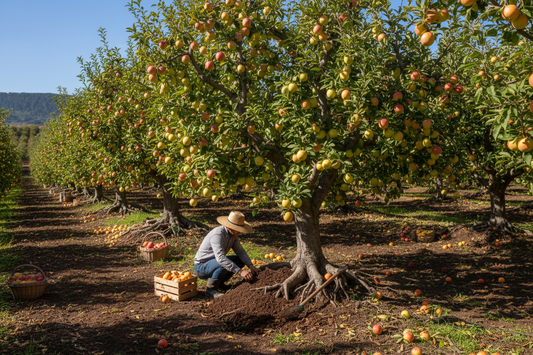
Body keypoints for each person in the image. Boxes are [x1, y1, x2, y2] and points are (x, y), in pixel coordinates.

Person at [194, 211, 260, 298]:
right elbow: (220, 258)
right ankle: (210, 289)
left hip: (214, 263)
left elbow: (240, 251)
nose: (239, 232)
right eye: (237, 229)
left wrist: (250, 266)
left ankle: (220, 283)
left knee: (239, 260)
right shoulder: (217, 235)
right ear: (229, 228)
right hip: (201, 267)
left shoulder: (233, 236)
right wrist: (240, 271)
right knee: (223, 262)